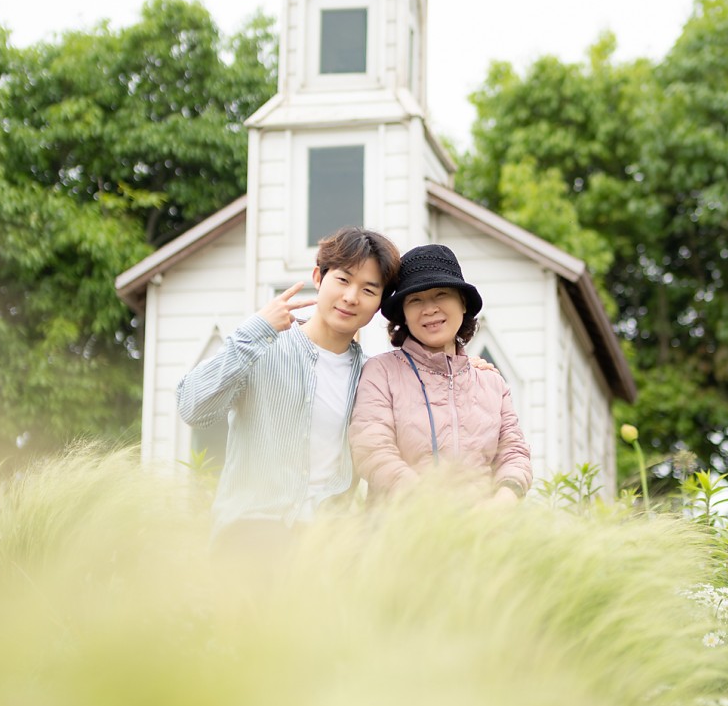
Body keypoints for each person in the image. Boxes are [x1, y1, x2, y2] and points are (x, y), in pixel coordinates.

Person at [176, 227, 401, 553]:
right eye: (342, 280)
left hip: (325, 547)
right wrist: (255, 329)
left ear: (380, 303)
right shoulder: (262, 346)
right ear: (318, 278)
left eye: (368, 289)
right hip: (249, 536)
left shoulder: (372, 377)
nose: (351, 297)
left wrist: (469, 367)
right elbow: (191, 406)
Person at [348, 244, 532, 505]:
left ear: (463, 302)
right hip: (399, 534)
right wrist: (430, 505)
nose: (430, 309)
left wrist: (502, 503)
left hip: (484, 534)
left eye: (441, 294)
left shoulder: (492, 382)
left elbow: (513, 453)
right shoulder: (381, 373)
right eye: (415, 300)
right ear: (403, 314)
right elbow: (371, 449)